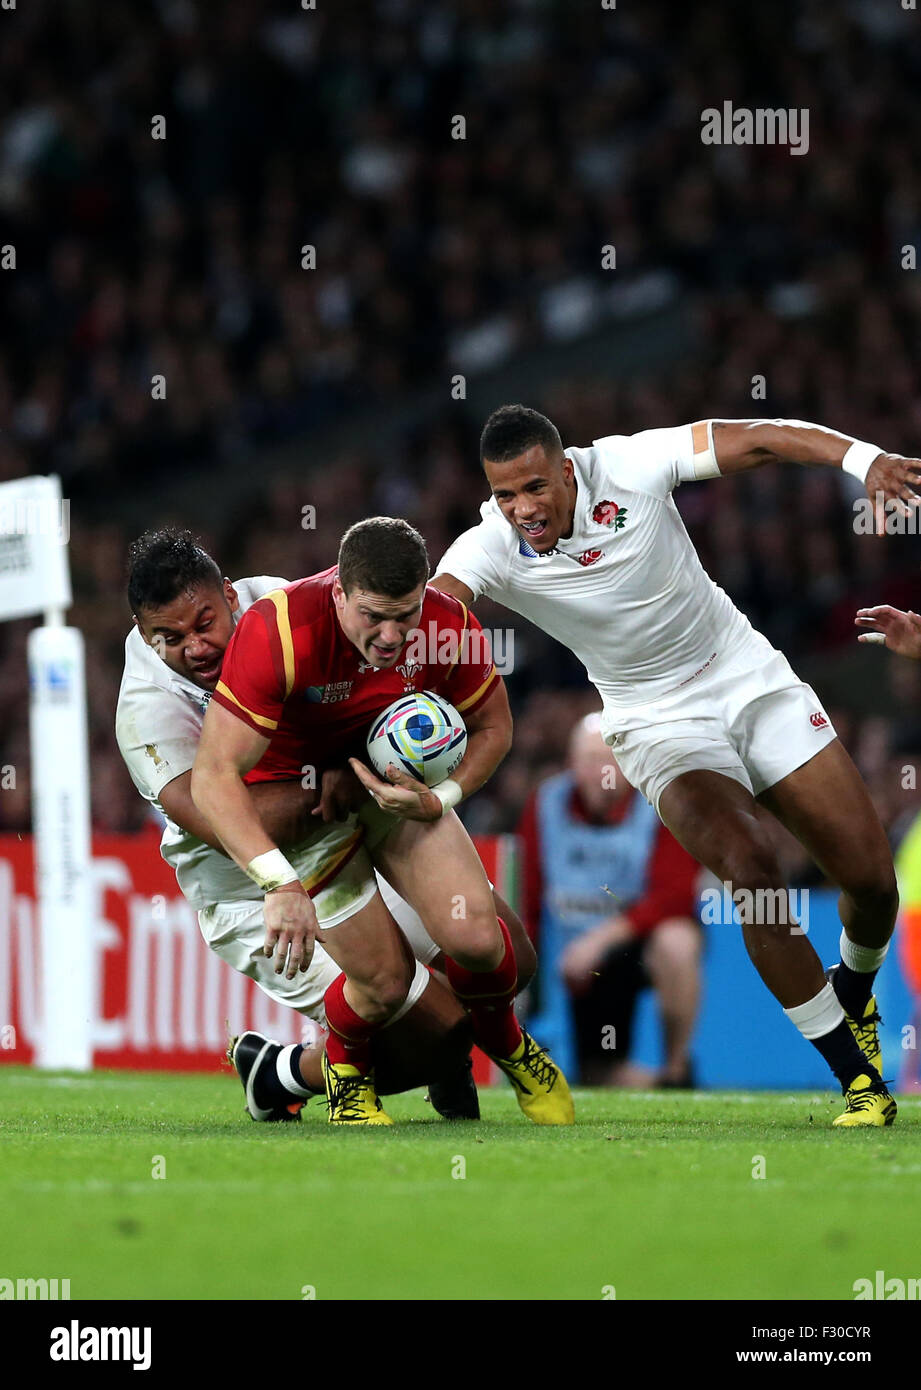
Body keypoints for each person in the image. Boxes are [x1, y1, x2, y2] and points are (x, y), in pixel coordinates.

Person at [431, 404, 921, 1126]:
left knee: (872, 883)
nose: (522, 509)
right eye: (505, 495)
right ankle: (856, 1082)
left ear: (566, 469)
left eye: (534, 488)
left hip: (748, 679)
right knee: (750, 870)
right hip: (653, 724)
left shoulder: (628, 465)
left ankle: (852, 991)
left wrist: (862, 461)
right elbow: (436, 607)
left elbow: (758, 439)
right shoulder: (491, 545)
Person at [115, 528, 530, 1124]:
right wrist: (324, 782)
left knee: (505, 953)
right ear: (144, 634)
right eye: (170, 639)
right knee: (434, 1030)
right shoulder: (147, 712)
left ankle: (439, 1060)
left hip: (347, 822)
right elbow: (219, 820)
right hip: (247, 879)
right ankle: (281, 1073)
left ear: (231, 596)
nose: (196, 647)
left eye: (204, 623)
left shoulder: (281, 610)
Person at [520, 712, 701, 1086]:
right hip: (574, 960)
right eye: (589, 760)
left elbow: (675, 895)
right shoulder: (545, 805)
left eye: (610, 760)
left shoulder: (661, 803)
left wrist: (601, 939)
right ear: (572, 764)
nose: (600, 772)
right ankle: (660, 1086)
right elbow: (528, 895)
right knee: (596, 1076)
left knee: (678, 941)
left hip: (635, 949)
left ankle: (677, 1068)